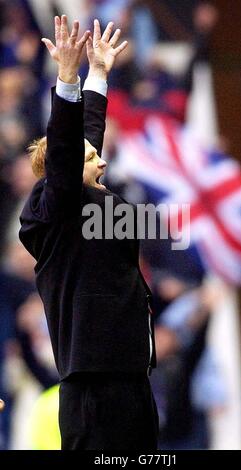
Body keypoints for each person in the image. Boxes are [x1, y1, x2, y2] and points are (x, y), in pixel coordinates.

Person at [19, 15, 158, 450]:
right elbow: (66, 148)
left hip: (133, 376)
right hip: (93, 387)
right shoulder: (57, 208)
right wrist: (67, 76)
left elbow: (84, 139)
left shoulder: (87, 199)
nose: (103, 162)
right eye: (92, 158)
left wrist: (98, 74)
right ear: (63, 172)